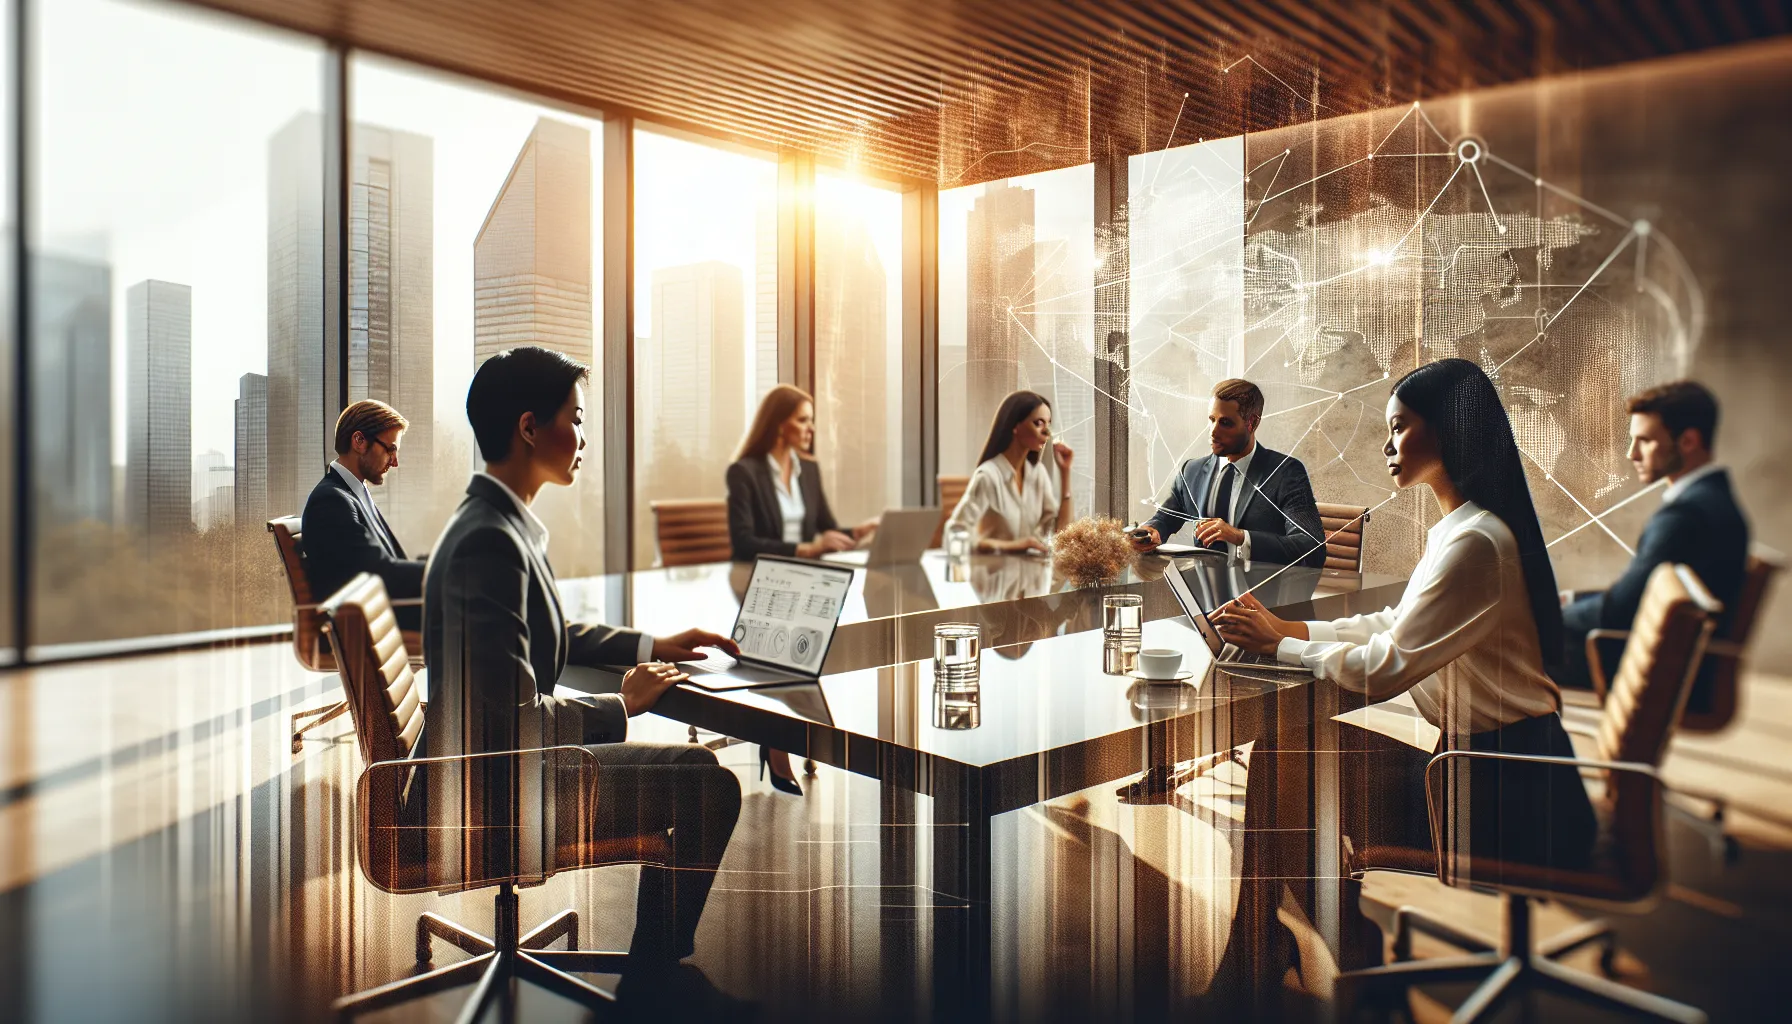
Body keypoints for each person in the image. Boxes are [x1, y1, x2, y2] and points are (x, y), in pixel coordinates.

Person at [420, 346, 744, 999]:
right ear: (529, 427)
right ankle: (655, 985)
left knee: (701, 775)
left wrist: (653, 642)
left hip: (479, 770)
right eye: (576, 416)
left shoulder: (495, 524)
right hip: (491, 796)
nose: (584, 436)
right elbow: (516, 721)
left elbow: (549, 634)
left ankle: (657, 968)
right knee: (707, 788)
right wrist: (622, 705)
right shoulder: (491, 542)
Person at [1213, 359, 1596, 899]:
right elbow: (1394, 624)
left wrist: (1282, 644)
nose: (1387, 446)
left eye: (1398, 428)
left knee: (1288, 760)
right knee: (1288, 752)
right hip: (1476, 766)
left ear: (1448, 429)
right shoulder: (1463, 529)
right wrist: (1292, 626)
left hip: (1501, 795)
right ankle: (1306, 938)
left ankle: (1297, 944)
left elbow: (1387, 668)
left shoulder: (1477, 544)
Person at [1560, 381, 1749, 713]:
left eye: (1644, 441)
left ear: (1688, 441)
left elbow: (1621, 610)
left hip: (1659, 675)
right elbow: (1636, 596)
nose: (1631, 453)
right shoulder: (1711, 500)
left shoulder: (1686, 514)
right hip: (1674, 665)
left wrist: (1548, 618)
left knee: (1502, 658)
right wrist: (1572, 601)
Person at [1130, 378, 1326, 567]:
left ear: (1252, 423)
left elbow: (1312, 548)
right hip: (1201, 593)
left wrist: (1240, 537)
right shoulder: (1192, 471)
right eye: (1212, 420)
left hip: (1261, 594)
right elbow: (1165, 517)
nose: (1213, 432)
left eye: (1225, 423)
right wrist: (1151, 531)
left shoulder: (1285, 473)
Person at [301, 400, 424, 631]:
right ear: (359, 441)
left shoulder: (351, 494)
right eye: (390, 449)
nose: (394, 462)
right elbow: (379, 575)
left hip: (385, 619)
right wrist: (446, 571)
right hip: (376, 629)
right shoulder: (331, 502)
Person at [725, 384, 877, 562]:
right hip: (759, 573)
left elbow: (827, 527)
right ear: (779, 426)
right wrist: (806, 550)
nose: (811, 428)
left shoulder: (809, 469)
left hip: (802, 571)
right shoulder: (743, 473)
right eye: (803, 420)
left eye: (811, 421)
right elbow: (744, 543)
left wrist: (857, 532)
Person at [946, 390, 1074, 554]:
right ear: (1015, 426)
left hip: (1030, 574)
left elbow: (1061, 534)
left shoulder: (1037, 474)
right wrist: (1014, 546)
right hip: (993, 574)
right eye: (1038, 423)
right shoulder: (988, 476)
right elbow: (956, 534)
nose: (1046, 432)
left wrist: (1065, 472)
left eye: (1048, 424)